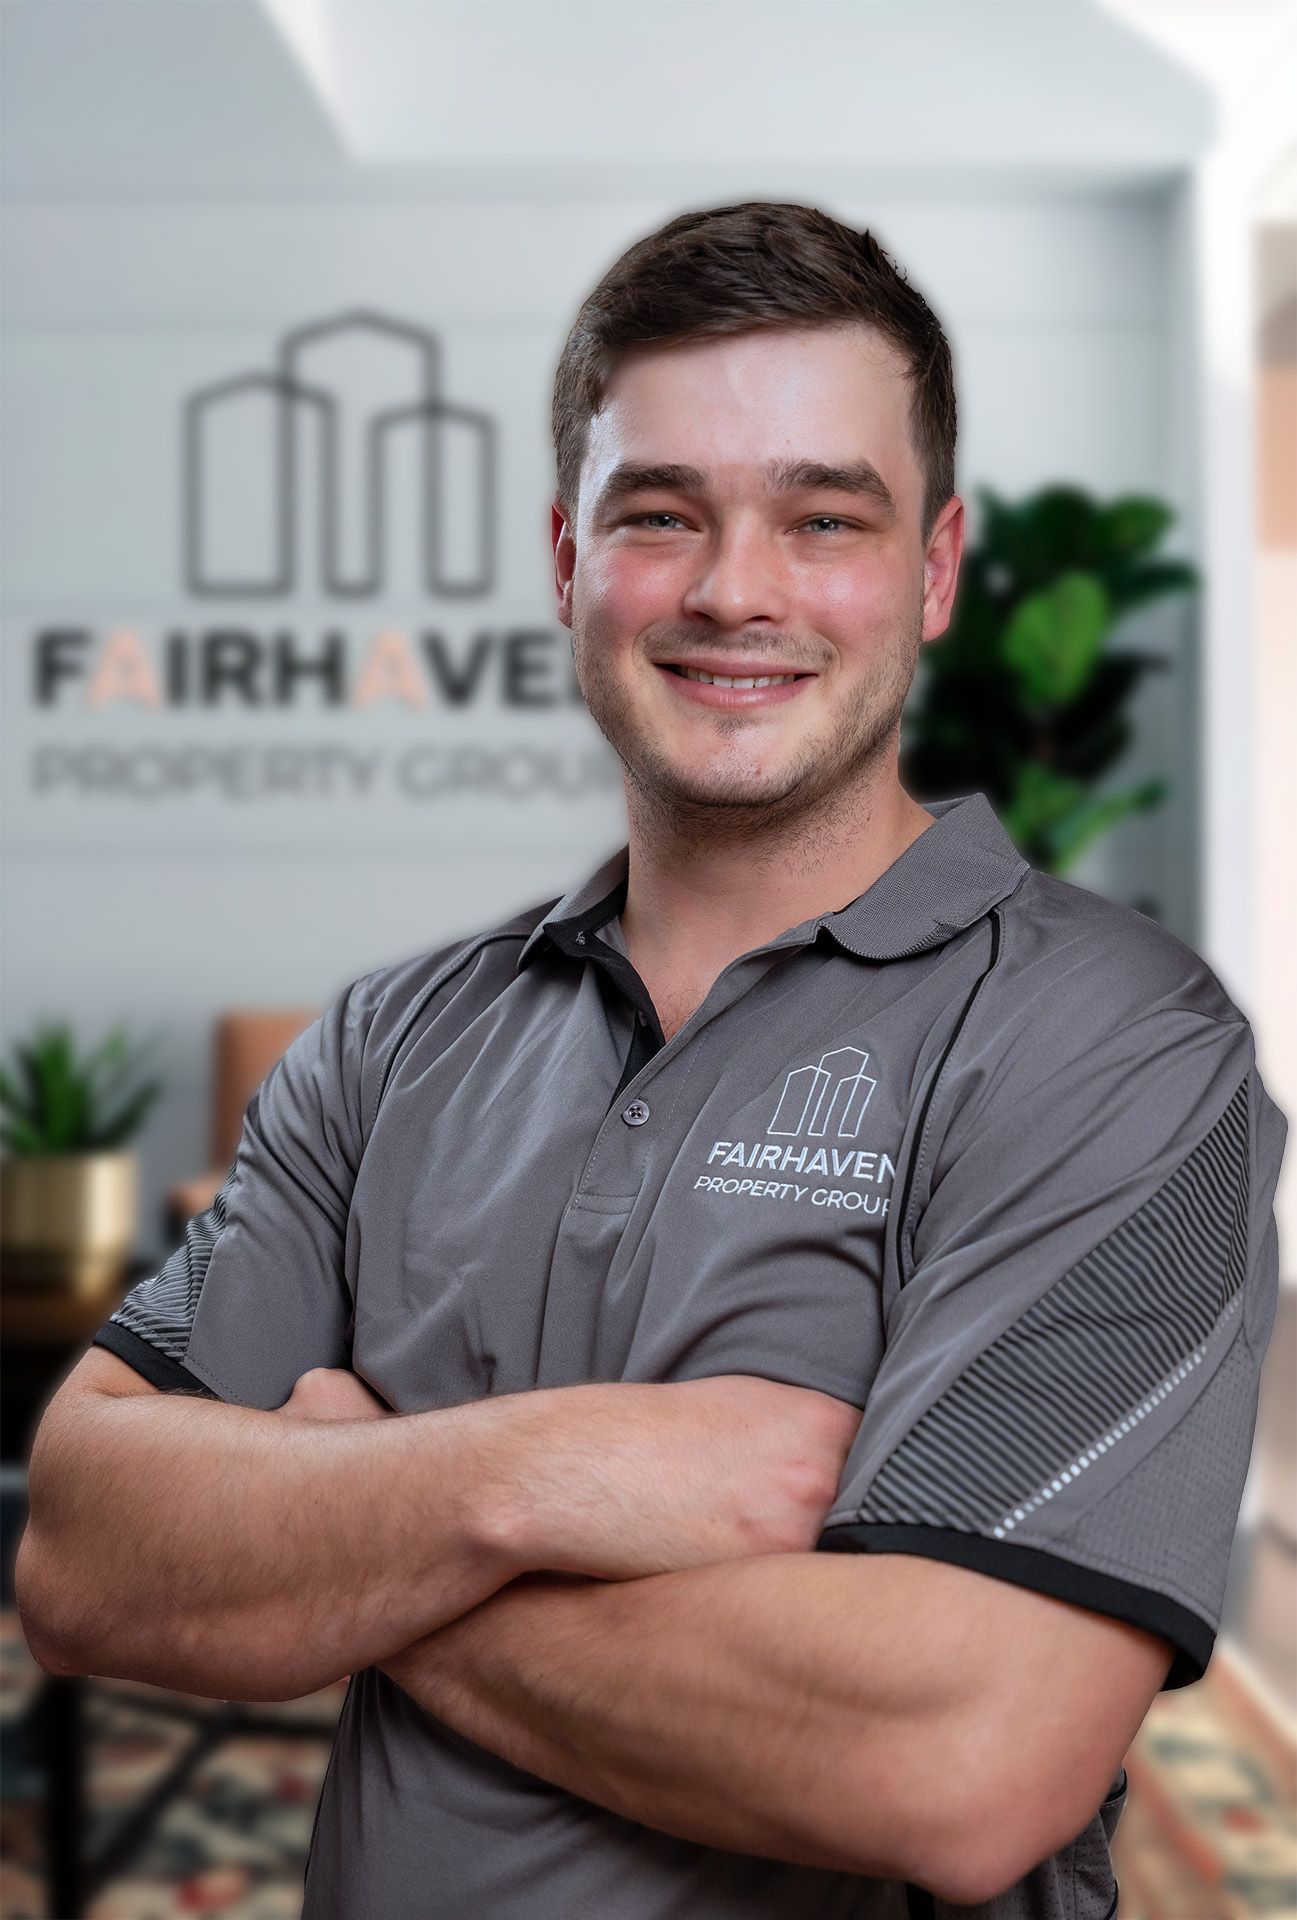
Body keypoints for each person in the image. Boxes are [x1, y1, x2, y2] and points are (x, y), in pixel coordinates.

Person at [17, 202, 1287, 1919]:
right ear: (565, 558)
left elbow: (956, 1760)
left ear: (931, 567)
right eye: (659, 514)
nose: (731, 590)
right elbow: (84, 1551)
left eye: (821, 517)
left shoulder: (1118, 1049)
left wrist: (356, 1505)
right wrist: (540, 1478)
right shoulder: (392, 1040)